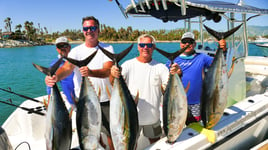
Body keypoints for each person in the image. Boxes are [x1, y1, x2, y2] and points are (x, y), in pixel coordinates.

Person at [45, 16, 114, 150]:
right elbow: (66, 68)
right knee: (89, 132)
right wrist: (54, 77)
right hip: (84, 101)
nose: (89, 31)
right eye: (86, 28)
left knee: (110, 132)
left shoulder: (107, 48)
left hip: (105, 100)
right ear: (83, 31)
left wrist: (91, 73)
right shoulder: (76, 52)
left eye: (92, 28)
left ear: (98, 30)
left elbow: (108, 70)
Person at [110, 34, 181, 144]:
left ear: (153, 47)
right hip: (131, 118)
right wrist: (113, 74)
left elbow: (170, 88)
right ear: (138, 47)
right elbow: (113, 83)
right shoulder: (128, 65)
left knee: (155, 142)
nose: (145, 48)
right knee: (131, 143)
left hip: (153, 118)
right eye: (142, 45)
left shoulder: (161, 67)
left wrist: (177, 74)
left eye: (149, 45)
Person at [166, 32, 214, 124]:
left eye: (190, 42)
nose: (187, 44)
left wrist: (222, 50)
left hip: (196, 101)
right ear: (180, 44)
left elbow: (217, 64)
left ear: (195, 44)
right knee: (177, 124)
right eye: (184, 41)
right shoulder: (172, 60)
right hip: (177, 102)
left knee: (194, 125)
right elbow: (165, 78)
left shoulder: (202, 57)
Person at [46, 36, 75, 106]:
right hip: (72, 102)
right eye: (59, 46)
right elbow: (50, 86)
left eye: (64, 45)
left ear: (69, 47)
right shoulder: (54, 65)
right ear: (57, 49)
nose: (62, 48)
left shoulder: (78, 59)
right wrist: (50, 104)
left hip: (86, 99)